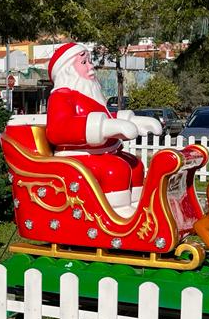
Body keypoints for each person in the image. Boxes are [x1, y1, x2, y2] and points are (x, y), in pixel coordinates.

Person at [44, 42, 162, 215]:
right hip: (77, 156)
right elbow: (58, 130)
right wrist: (105, 127)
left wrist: (133, 121)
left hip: (103, 152)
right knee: (115, 169)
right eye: (84, 63)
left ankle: (137, 206)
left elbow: (106, 118)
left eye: (90, 62)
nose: (91, 67)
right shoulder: (61, 97)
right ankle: (116, 213)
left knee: (135, 165)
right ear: (67, 70)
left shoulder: (90, 93)